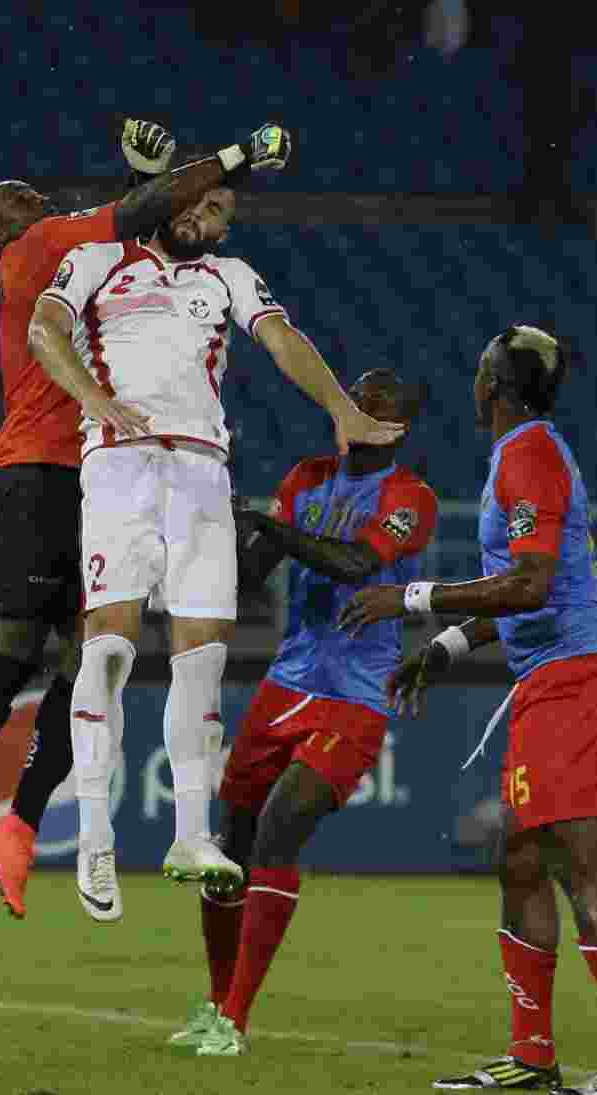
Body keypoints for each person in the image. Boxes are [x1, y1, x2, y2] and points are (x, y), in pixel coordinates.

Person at [0, 118, 294, 918]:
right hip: (33, 470)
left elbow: (135, 235)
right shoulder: (37, 245)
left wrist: (142, 175)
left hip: (91, 475)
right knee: (20, 648)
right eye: (12, 194)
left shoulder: (65, 251)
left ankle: (22, 821)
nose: (30, 191)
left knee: (93, 652)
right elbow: (143, 215)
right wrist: (233, 158)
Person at [30, 153, 407, 924]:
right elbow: (44, 329)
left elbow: (281, 337)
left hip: (203, 471)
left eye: (225, 215)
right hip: (121, 462)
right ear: (171, 199)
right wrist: (97, 399)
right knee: (107, 648)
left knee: (201, 662)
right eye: (204, 206)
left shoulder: (229, 275)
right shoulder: (98, 258)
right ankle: (95, 833)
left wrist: (340, 406)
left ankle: (192, 834)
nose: (212, 221)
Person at [344, 326, 597, 1095]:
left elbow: (532, 585)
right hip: (553, 677)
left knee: (582, 866)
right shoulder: (523, 454)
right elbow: (521, 593)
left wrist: (410, 598)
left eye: (480, 365)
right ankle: (533, 1054)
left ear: (492, 386)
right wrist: (444, 647)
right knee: (520, 855)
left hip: (579, 677)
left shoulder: (529, 456)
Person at [168, 369, 437, 1057]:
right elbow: (253, 570)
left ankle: (237, 1017)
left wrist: (275, 533)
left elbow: (354, 562)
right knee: (229, 843)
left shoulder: (411, 498)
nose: (356, 405)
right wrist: (217, 531)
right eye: (353, 394)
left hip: (354, 693)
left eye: (376, 402)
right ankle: (214, 1002)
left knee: (279, 829)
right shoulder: (307, 477)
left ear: (399, 426)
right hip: (286, 683)